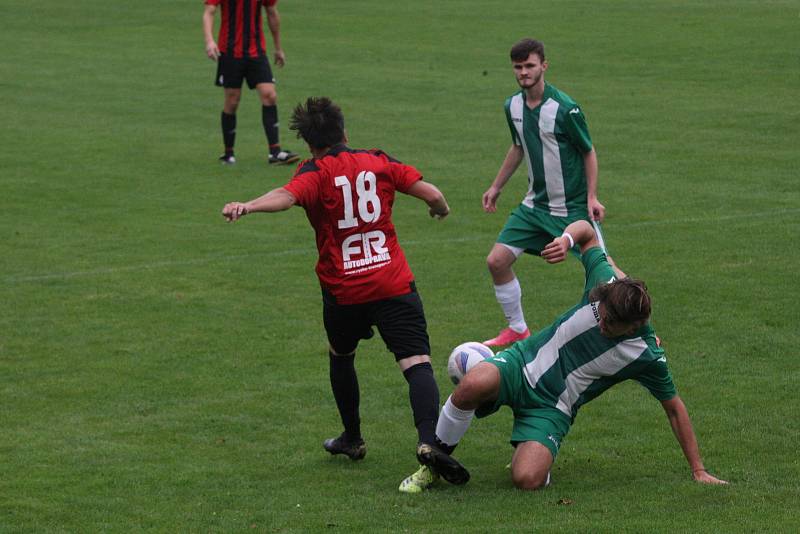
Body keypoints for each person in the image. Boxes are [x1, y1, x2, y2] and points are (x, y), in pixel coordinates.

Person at [221, 97, 469, 492]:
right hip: (392, 283)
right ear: (344, 131)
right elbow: (433, 195)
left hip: (344, 291)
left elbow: (285, 197)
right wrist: (439, 209)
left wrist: (247, 207)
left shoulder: (314, 171)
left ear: (310, 143)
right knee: (416, 363)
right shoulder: (378, 160)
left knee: (342, 355)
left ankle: (352, 438)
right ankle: (428, 442)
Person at [406, 220, 728, 491]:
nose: (603, 323)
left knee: (526, 479)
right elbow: (587, 230)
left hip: (552, 408)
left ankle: (535, 451)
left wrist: (698, 469)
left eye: (612, 324)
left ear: (634, 326)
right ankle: (434, 463)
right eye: (601, 314)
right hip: (522, 363)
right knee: (472, 384)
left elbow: (674, 408)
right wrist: (565, 239)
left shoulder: (647, 354)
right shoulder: (604, 280)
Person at [482, 38, 605, 347]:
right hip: (533, 207)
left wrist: (592, 197)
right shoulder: (512, 106)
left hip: (572, 209)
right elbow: (518, 146)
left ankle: (642, 328)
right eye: (518, 67)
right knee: (497, 261)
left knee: (606, 276)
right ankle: (518, 328)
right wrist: (496, 187)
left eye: (529, 66)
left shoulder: (565, 108)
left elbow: (588, 152)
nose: (523, 72)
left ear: (544, 66)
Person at [203, 0, 298, 165]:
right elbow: (209, 11)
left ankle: (275, 152)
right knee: (232, 101)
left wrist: (278, 48)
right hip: (230, 52)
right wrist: (209, 41)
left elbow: (272, 13)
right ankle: (228, 154)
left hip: (256, 53)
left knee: (270, 95)